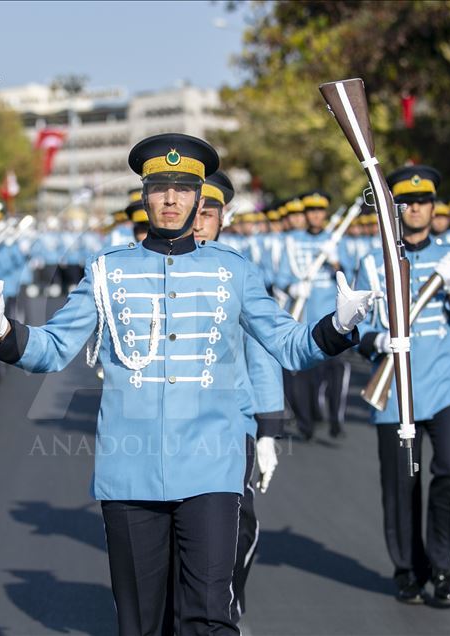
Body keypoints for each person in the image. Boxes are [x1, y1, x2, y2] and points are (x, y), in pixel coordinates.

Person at [0, 134, 379, 635]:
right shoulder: (107, 270)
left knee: (208, 616)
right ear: (145, 195)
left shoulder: (233, 271)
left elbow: (290, 345)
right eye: (160, 187)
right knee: (140, 622)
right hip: (129, 471)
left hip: (212, 466)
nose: (172, 199)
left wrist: (340, 326)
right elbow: (53, 349)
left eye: (183, 188)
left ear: (201, 197)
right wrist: (3, 331)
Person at [355, 165, 450, 604]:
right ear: (395, 208)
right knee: (401, 484)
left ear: (433, 207)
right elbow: (353, 328)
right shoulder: (372, 262)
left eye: (423, 201)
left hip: (447, 385)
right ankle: (408, 567)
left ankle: (442, 567)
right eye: (406, 202)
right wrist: (376, 340)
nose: (415, 209)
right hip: (395, 394)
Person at [192, 169, 285, 620]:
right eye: (192, 211)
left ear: (222, 216)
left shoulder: (240, 273)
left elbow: (263, 352)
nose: (197, 222)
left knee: (238, 525)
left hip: (233, 425)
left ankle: (226, 604)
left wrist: (268, 431)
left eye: (207, 213)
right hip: (167, 425)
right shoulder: (151, 267)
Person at [277, 190, 351, 439]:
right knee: (305, 375)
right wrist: (292, 287)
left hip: (332, 318)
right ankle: (306, 423)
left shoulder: (336, 240)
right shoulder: (291, 241)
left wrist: (336, 262)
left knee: (335, 370)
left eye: (320, 211)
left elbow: (350, 279)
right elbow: (281, 277)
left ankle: (334, 418)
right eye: (311, 211)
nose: (316, 215)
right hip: (303, 319)